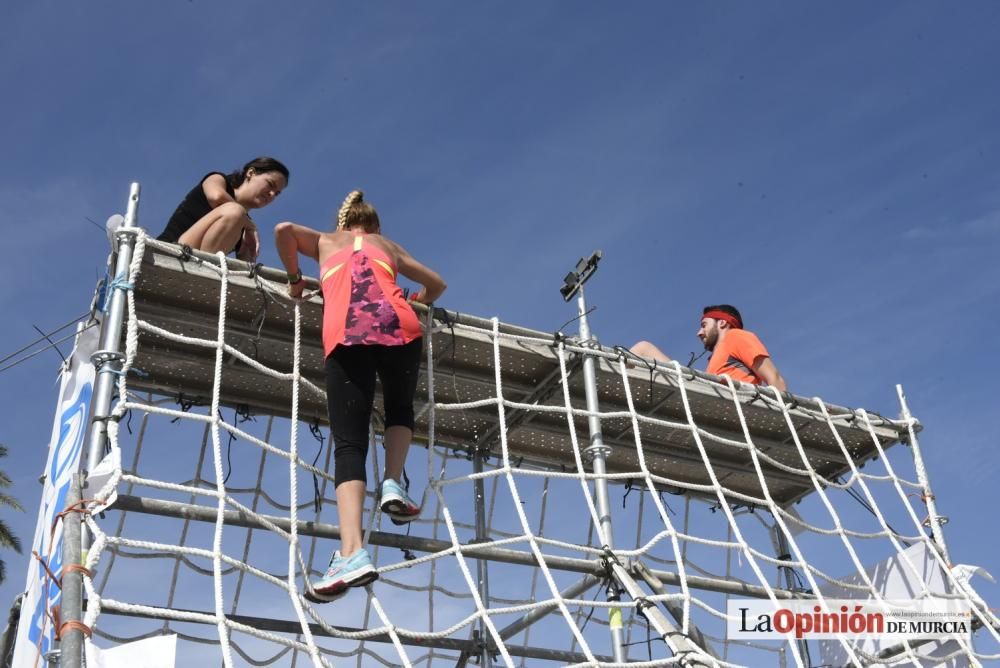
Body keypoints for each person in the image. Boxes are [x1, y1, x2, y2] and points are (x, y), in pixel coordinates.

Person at [275, 190, 446, 601]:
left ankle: (352, 551)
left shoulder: (324, 240)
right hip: (401, 328)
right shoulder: (387, 246)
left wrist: (296, 279)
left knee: (349, 443)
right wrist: (415, 300)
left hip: (349, 332)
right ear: (374, 227)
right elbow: (436, 284)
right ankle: (392, 482)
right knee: (400, 408)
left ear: (343, 224)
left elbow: (282, 231)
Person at [157, 156, 289, 261]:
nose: (272, 194)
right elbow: (216, 197)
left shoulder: (244, 225)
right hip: (171, 250)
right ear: (251, 173)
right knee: (235, 212)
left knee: (237, 216)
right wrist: (250, 226)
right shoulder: (218, 179)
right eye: (270, 184)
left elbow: (247, 265)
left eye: (276, 193)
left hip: (202, 264)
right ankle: (205, 270)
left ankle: (205, 272)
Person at [630, 304, 787, 391]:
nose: (699, 333)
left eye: (704, 325)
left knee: (644, 348)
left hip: (732, 400)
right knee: (643, 354)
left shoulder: (736, 336)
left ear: (722, 323)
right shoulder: (715, 360)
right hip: (708, 393)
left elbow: (775, 378)